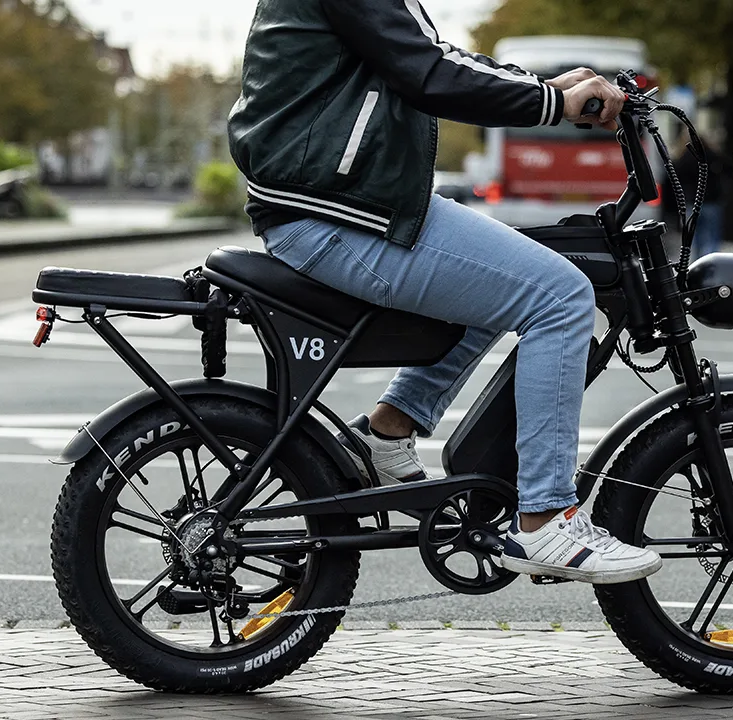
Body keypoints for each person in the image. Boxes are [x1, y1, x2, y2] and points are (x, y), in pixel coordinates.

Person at [227, 0, 661, 584]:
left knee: (513, 277)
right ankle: (545, 520)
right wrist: (553, 101)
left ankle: (387, 431)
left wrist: (545, 86)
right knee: (562, 297)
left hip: (352, 200)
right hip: (336, 211)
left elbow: (434, 59)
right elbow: (427, 73)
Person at [664, 133, 726, 259]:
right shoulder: (713, 156)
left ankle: (697, 263)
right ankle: (711, 262)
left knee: (693, 238)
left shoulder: (683, 158)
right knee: (712, 237)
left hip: (691, 201)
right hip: (711, 201)